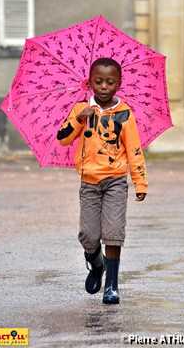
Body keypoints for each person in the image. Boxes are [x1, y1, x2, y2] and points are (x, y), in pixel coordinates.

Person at [57, 57, 147, 304]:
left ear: (118, 84)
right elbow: (62, 138)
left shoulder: (125, 114)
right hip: (89, 183)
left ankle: (112, 286)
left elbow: (134, 149)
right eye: (99, 81)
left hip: (116, 181)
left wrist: (140, 182)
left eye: (110, 82)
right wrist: (79, 118)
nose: (104, 87)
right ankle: (97, 266)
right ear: (90, 82)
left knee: (113, 233)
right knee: (88, 235)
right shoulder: (81, 109)